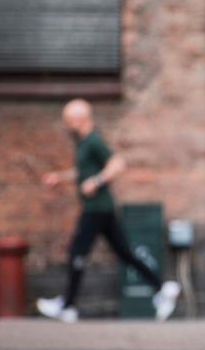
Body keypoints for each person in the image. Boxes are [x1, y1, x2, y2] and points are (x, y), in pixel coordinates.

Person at [35, 99, 180, 323]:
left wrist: (97, 181)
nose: (65, 126)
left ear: (79, 119)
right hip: (101, 209)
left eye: (68, 121)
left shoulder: (93, 141)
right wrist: (60, 178)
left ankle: (68, 306)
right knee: (124, 253)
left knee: (77, 253)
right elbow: (83, 172)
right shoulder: (82, 143)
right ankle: (162, 287)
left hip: (96, 208)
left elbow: (118, 163)